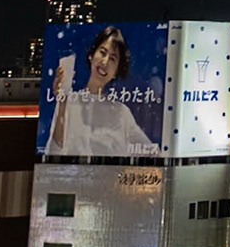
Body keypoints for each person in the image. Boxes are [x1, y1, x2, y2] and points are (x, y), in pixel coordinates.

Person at [45, 26, 158, 156]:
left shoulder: (121, 112)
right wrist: (63, 103)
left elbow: (152, 153)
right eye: (103, 52)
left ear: (116, 72)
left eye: (112, 59)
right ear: (91, 56)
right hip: (73, 176)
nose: (105, 62)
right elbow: (53, 152)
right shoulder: (69, 102)